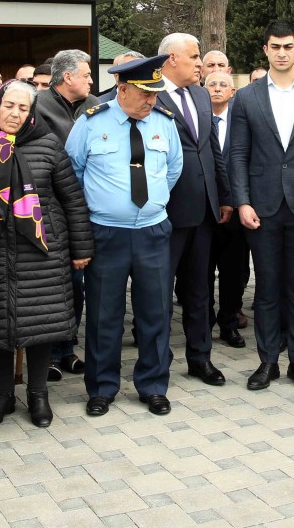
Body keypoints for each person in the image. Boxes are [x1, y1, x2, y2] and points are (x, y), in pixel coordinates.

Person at [0, 81, 93, 428]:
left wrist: (81, 249)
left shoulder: (48, 145)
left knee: (39, 325)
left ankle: (38, 396)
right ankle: (2, 397)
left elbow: (72, 200)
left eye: (23, 108)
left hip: (41, 252)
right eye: (9, 106)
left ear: (32, 113)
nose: (14, 114)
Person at [66, 55, 183, 416]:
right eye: (145, 95)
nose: (152, 101)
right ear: (122, 89)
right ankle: (102, 387)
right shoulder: (90, 123)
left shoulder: (164, 122)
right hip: (106, 234)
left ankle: (153, 385)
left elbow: (174, 167)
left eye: (155, 94)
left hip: (153, 232)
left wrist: (151, 204)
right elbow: (72, 172)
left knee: (155, 312)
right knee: (104, 314)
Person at [228, 20, 294, 393]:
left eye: (288, 47)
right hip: (262, 207)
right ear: (266, 50)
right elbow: (237, 154)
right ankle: (268, 361)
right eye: (275, 47)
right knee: (267, 288)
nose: (281, 53)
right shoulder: (246, 97)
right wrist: (242, 201)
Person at [156, 34, 233, 385]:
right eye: (195, 56)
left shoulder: (201, 95)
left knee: (200, 290)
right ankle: (158, 363)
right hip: (165, 211)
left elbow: (212, 149)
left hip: (204, 210)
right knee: (158, 293)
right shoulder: (150, 94)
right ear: (172, 58)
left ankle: (200, 358)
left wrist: (225, 196)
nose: (201, 62)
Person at [35, 49, 100, 379]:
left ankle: (66, 348)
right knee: (49, 285)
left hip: (85, 210)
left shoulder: (95, 107)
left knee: (76, 285)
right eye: (86, 74)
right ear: (68, 77)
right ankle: (42, 353)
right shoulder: (36, 106)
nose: (91, 80)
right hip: (47, 210)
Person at [205, 70, 249, 347]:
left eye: (223, 85)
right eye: (212, 84)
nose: (218, 89)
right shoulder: (195, 120)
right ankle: (204, 323)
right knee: (202, 272)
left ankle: (229, 322)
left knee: (234, 271)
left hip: (235, 209)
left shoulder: (242, 123)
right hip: (205, 211)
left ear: (232, 92)